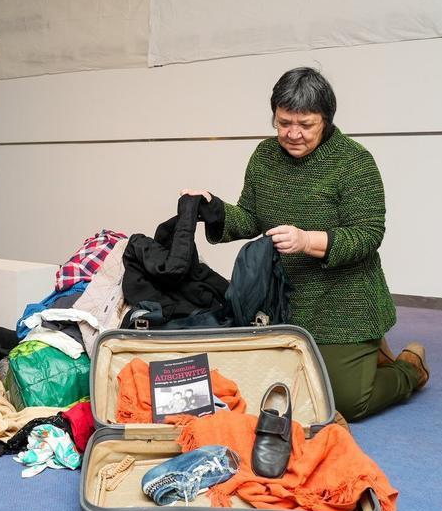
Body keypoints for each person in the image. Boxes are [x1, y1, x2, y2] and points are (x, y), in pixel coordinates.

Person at [183, 67, 428, 422]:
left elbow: (368, 235)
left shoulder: (354, 162)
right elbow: (251, 218)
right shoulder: (265, 157)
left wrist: (306, 240)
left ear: (326, 121)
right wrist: (215, 210)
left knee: (346, 403)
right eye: (284, 123)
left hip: (344, 304)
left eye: (305, 124)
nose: (292, 134)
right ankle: (367, 356)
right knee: (269, 390)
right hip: (282, 298)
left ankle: (409, 368)